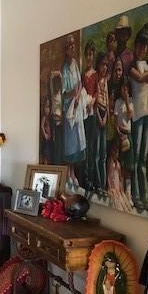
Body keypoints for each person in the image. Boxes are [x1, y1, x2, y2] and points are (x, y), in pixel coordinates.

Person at [129, 23, 148, 212]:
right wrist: (146, 75)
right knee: (136, 157)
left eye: (145, 46)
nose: (142, 49)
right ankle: (136, 195)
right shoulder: (131, 65)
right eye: (139, 45)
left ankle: (146, 196)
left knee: (143, 157)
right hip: (136, 115)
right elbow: (141, 78)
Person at [61, 35, 86, 189]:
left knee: (77, 141)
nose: (72, 48)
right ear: (66, 49)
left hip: (77, 106)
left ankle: (73, 173)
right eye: (69, 46)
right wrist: (73, 94)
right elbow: (64, 93)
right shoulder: (64, 68)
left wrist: (78, 97)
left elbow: (80, 83)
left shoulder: (75, 64)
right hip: (69, 109)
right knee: (70, 143)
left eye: (73, 45)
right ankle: (69, 173)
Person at [114, 79, 134, 205]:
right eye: (123, 88)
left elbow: (131, 116)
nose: (124, 90)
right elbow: (116, 120)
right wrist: (119, 133)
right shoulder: (117, 102)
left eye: (126, 88)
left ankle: (128, 192)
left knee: (129, 164)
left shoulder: (130, 101)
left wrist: (127, 100)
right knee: (120, 163)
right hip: (120, 134)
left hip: (128, 134)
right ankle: (120, 189)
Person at [82, 39, 97, 190]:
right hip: (84, 115)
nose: (88, 58)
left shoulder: (95, 74)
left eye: (90, 55)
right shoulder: (82, 75)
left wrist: (92, 102)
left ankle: (91, 178)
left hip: (92, 115)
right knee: (85, 146)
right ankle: (85, 178)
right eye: (87, 55)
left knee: (91, 147)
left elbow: (98, 91)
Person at [94, 52, 109, 196]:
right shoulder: (96, 79)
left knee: (103, 154)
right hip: (98, 115)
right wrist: (100, 118)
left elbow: (107, 101)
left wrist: (107, 117)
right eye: (102, 64)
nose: (104, 67)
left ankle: (104, 185)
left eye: (106, 65)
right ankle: (98, 184)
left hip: (105, 115)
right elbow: (96, 102)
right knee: (97, 153)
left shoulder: (105, 81)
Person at [107, 139, 133, 213]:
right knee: (117, 202)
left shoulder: (118, 164)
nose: (115, 154)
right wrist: (109, 187)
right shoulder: (110, 162)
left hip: (118, 189)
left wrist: (121, 189)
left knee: (123, 201)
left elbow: (120, 178)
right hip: (113, 188)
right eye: (114, 151)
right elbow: (109, 177)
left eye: (117, 152)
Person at [49, 71, 63, 165]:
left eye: (59, 84)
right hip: (55, 121)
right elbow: (51, 79)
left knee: (60, 145)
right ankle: (55, 163)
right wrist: (54, 74)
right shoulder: (53, 93)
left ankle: (59, 163)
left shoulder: (61, 94)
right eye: (56, 83)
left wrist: (59, 74)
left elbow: (61, 77)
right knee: (55, 145)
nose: (58, 85)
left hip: (61, 122)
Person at [40, 96, 53, 164]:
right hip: (46, 138)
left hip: (49, 138)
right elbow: (42, 126)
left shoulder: (49, 118)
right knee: (45, 153)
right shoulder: (44, 117)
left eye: (49, 107)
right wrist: (44, 134)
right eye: (46, 107)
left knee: (49, 153)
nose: (47, 109)